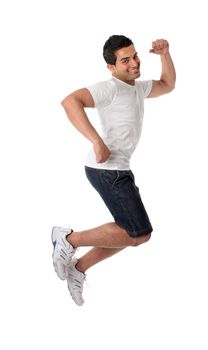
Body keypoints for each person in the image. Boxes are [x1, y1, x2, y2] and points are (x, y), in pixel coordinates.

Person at [52, 35, 176, 306]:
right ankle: (67, 238)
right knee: (137, 232)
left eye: (134, 56)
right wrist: (96, 140)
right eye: (125, 60)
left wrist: (165, 55)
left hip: (120, 170)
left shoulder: (137, 88)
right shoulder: (109, 88)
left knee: (135, 233)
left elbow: (167, 85)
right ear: (111, 66)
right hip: (106, 170)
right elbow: (70, 101)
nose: (133, 63)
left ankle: (78, 268)